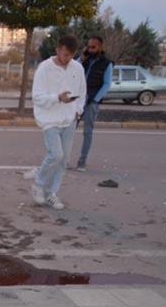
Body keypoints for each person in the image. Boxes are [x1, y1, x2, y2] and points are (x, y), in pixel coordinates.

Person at [30, 35, 86, 209]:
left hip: (69, 118)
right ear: (57, 50)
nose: (66, 59)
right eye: (63, 54)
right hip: (49, 119)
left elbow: (82, 92)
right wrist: (57, 98)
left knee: (63, 160)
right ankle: (38, 184)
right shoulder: (44, 68)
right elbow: (37, 97)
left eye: (70, 55)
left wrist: (78, 110)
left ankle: (51, 193)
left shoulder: (77, 68)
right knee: (56, 154)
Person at [75, 35, 113, 171]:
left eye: (93, 47)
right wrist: (82, 57)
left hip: (92, 101)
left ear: (100, 47)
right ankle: (63, 159)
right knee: (69, 129)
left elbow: (107, 84)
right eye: (88, 46)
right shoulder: (85, 60)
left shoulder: (107, 63)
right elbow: (73, 69)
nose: (90, 49)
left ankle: (82, 161)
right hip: (77, 99)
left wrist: (95, 99)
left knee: (87, 132)